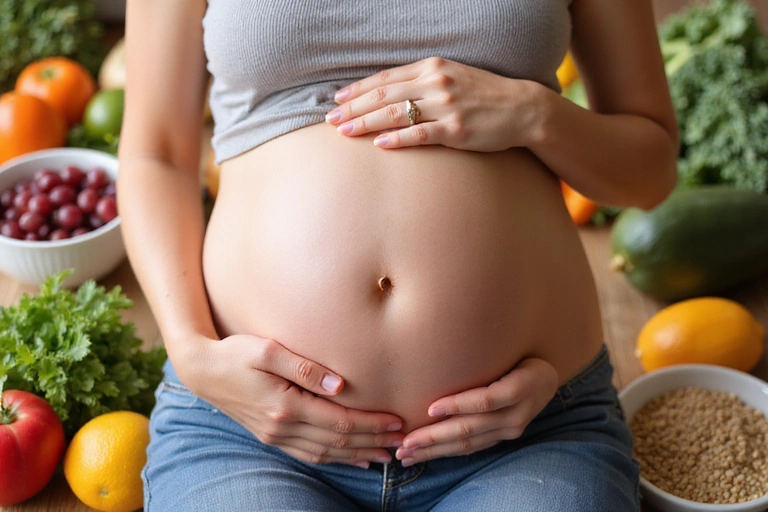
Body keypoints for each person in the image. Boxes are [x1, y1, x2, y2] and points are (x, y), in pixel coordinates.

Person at [117, 0, 678, 510]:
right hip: (250, 430)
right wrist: (191, 352)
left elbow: (650, 170)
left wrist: (536, 114)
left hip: (531, 432)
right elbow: (155, 153)